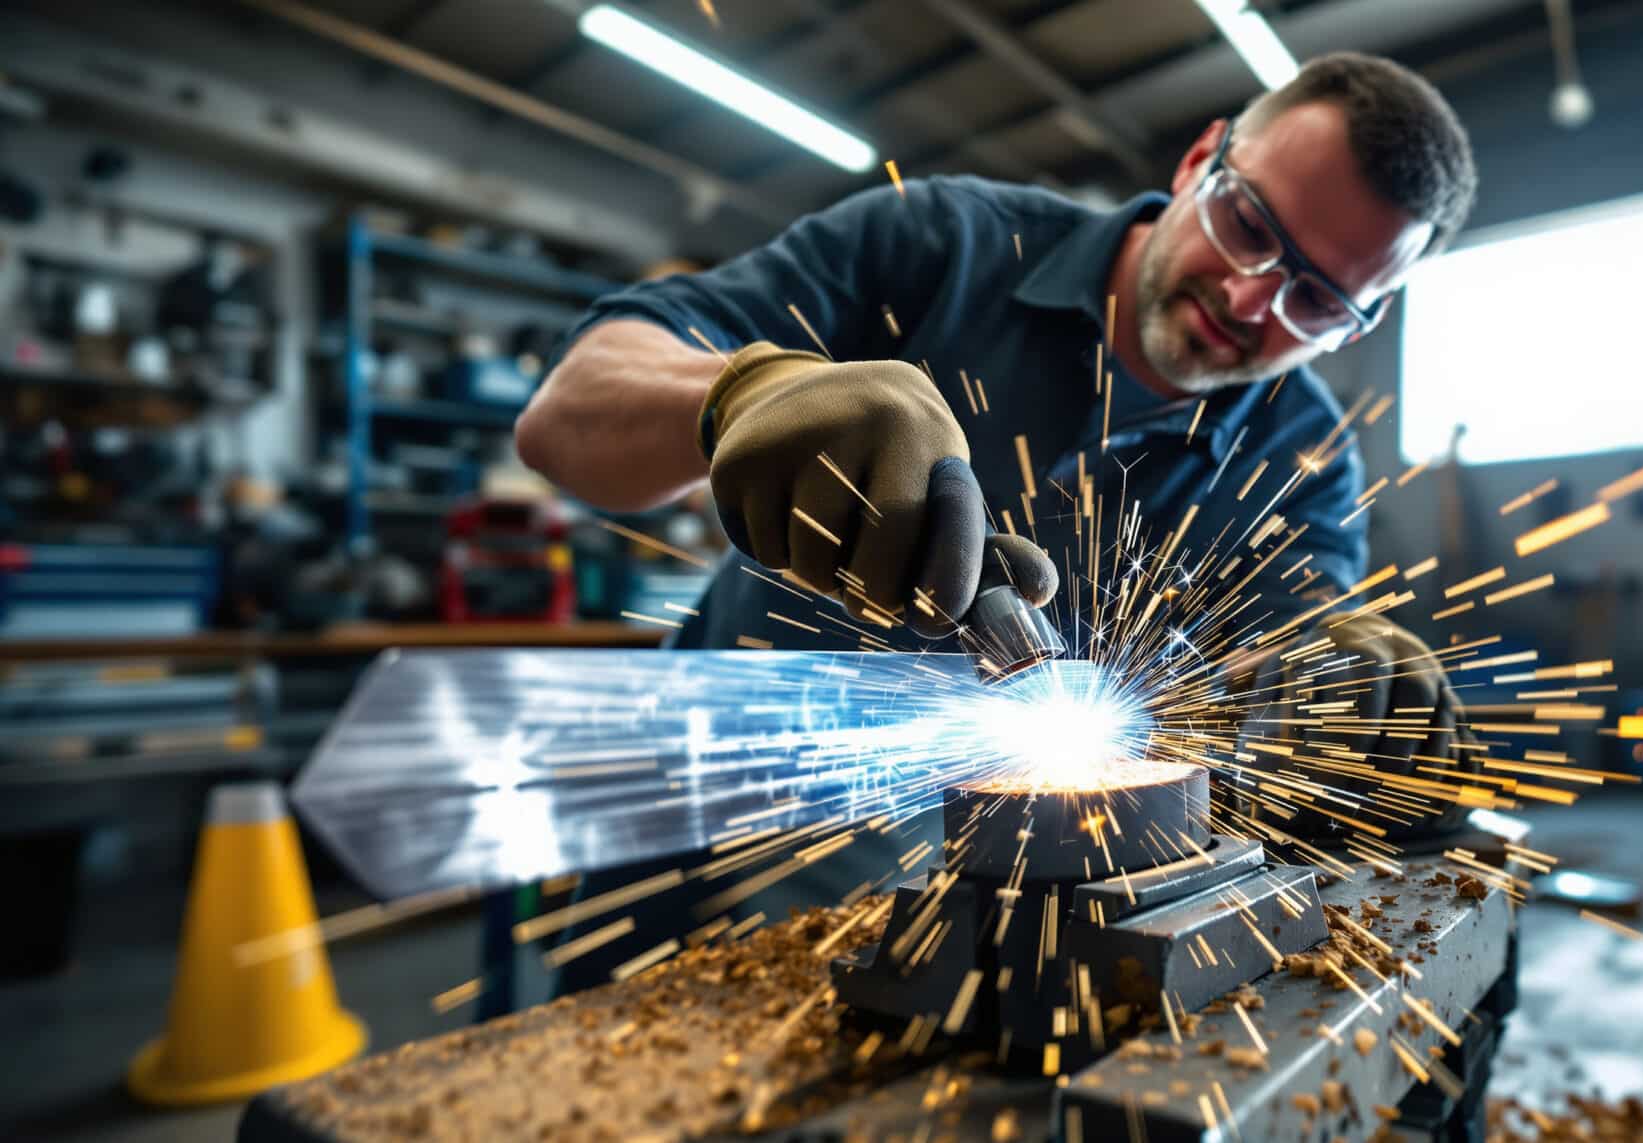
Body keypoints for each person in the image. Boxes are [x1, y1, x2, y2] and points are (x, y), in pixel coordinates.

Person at [518, 53, 1479, 990]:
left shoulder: (1301, 450)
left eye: (1317, 299)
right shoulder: (944, 243)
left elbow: (1286, 645)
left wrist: (1339, 668)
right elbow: (562, 416)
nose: (1249, 296)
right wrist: (742, 394)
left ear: (1364, 322)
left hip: (995, 902)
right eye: (1247, 225)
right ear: (1200, 161)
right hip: (705, 809)